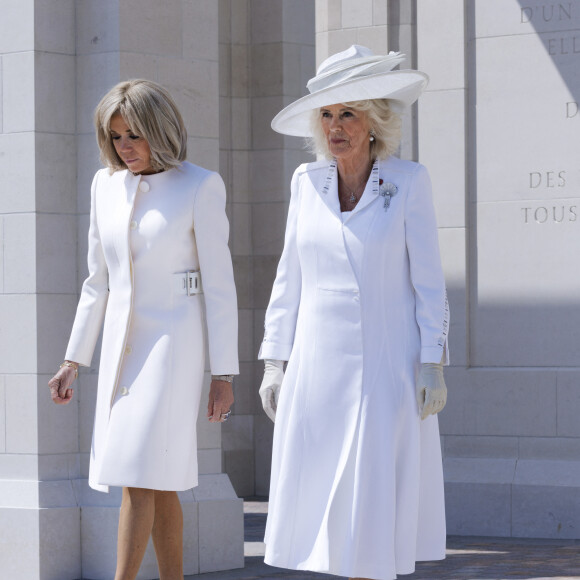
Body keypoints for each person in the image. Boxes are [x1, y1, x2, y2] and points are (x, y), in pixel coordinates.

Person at [258, 45, 449, 580]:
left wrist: (432, 360)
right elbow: (288, 277)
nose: (335, 126)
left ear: (375, 121)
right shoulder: (305, 183)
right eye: (326, 114)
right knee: (319, 506)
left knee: (370, 509)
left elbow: (429, 283)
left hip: (386, 371)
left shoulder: (408, 180)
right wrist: (275, 360)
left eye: (348, 112)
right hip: (318, 370)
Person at [48, 79, 238, 580]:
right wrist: (74, 359)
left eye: (135, 134)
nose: (124, 147)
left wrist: (225, 373)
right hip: (120, 350)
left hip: (173, 349)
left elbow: (219, 285)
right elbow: (97, 281)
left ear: (162, 129)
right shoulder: (103, 186)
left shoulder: (201, 185)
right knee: (158, 479)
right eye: (115, 137)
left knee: (137, 471)